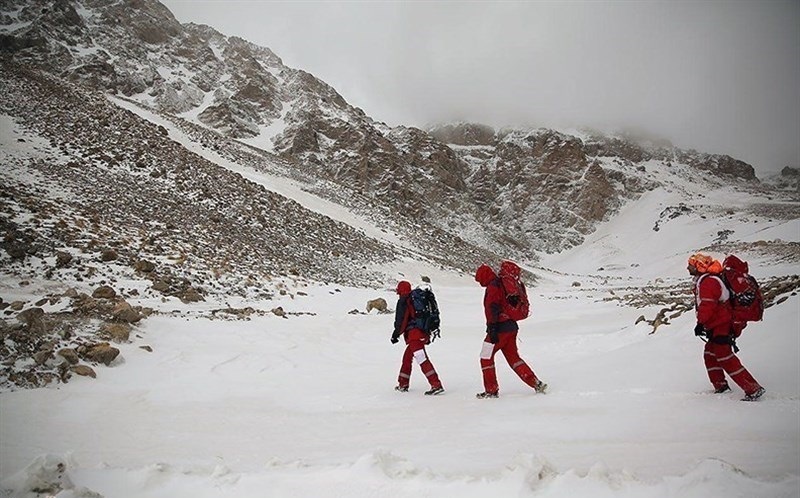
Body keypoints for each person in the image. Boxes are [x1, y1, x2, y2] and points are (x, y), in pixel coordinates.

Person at [687, 253, 765, 401]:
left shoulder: (709, 282)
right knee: (710, 354)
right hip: (718, 324)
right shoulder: (707, 280)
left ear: (698, 266)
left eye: (690, 265)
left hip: (722, 324)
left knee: (724, 355)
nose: (688, 267)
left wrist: (700, 323)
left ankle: (753, 389)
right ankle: (720, 386)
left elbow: (708, 305)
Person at [473, 264, 546, 398]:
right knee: (514, 358)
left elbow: (491, 308)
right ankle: (535, 383)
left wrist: (492, 329)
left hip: (499, 329)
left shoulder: (493, 286)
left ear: (484, 276)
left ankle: (491, 390)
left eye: (479, 280)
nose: (479, 283)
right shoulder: (502, 284)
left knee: (485, 357)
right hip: (511, 327)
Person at [390, 280, 444, 395]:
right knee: (407, 358)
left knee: (422, 359)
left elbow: (401, 321)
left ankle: (436, 384)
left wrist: (396, 334)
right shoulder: (415, 299)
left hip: (415, 335)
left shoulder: (404, 301)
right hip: (421, 333)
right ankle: (403, 384)